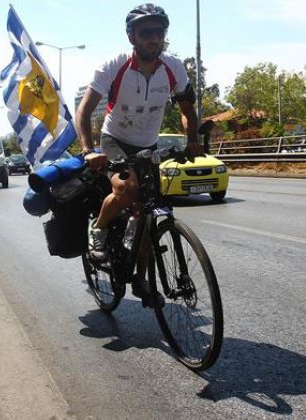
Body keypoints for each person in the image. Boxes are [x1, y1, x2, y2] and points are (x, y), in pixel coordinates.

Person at [75, 3, 201, 305]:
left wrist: (193, 139)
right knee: (127, 188)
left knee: (148, 215)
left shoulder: (174, 68)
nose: (154, 38)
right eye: (146, 33)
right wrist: (88, 151)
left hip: (148, 144)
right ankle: (99, 230)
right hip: (114, 139)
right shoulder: (114, 66)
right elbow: (84, 111)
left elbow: (187, 110)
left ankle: (141, 281)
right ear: (132, 37)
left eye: (159, 32)